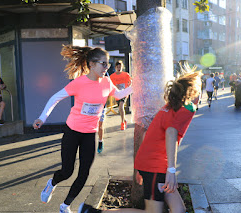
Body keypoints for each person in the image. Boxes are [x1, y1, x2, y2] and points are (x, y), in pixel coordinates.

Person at [78, 65, 202, 213]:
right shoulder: (186, 110)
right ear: (193, 92)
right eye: (199, 90)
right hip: (157, 167)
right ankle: (93, 212)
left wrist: (142, 167)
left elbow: (147, 135)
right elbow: (170, 133)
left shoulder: (170, 107)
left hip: (151, 165)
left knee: (179, 211)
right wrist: (171, 170)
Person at [33, 45, 132, 213]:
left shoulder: (107, 82)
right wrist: (42, 118)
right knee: (67, 171)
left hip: (90, 133)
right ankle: (52, 183)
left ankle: (65, 206)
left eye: (108, 64)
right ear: (92, 65)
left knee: (84, 173)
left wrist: (139, 84)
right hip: (72, 131)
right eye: (103, 64)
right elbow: (55, 98)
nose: (106, 68)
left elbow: (119, 95)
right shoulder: (79, 83)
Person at [110, 61, 132, 130]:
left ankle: (122, 123)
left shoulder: (126, 74)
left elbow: (130, 82)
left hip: (124, 93)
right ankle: (124, 119)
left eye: (120, 67)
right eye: (117, 67)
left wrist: (128, 89)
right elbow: (109, 84)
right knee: (120, 108)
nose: (119, 68)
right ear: (115, 67)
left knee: (121, 106)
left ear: (122, 67)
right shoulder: (112, 76)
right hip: (117, 94)